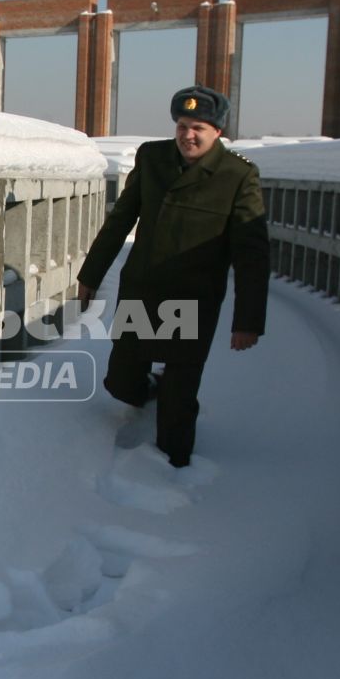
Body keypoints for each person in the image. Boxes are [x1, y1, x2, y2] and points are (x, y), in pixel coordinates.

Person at [75, 84, 268, 467]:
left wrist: (247, 321)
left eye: (198, 127)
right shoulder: (152, 158)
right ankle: (148, 388)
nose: (187, 135)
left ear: (218, 132)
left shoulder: (237, 176)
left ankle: (175, 467)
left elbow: (252, 253)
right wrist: (90, 275)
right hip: (143, 290)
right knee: (121, 379)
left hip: (194, 298)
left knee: (180, 395)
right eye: (182, 125)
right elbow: (119, 221)